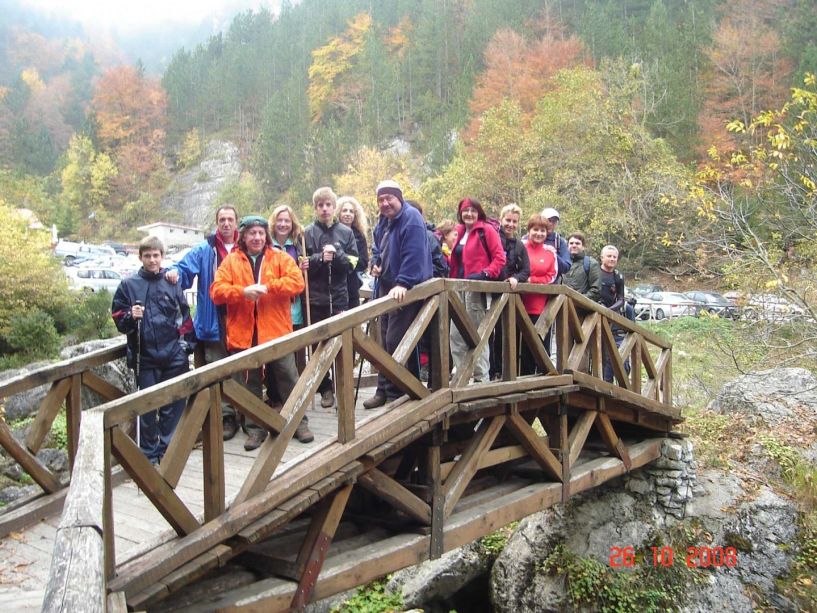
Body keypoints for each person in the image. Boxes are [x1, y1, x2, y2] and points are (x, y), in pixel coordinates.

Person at [211, 216, 307, 450]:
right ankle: (254, 429)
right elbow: (217, 291)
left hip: (276, 331)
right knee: (249, 383)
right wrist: (242, 291)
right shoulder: (232, 261)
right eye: (251, 233)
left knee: (288, 377)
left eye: (261, 233)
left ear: (267, 236)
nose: (256, 237)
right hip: (244, 334)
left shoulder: (280, 257)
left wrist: (268, 287)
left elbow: (297, 283)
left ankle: (299, 423)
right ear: (243, 236)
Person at [112, 236, 194, 464]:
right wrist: (130, 316)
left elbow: (184, 316)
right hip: (144, 356)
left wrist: (186, 347)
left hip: (174, 355)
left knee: (174, 405)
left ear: (162, 256)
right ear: (140, 257)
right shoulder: (128, 285)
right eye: (147, 256)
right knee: (147, 409)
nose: (151, 260)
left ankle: (168, 450)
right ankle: (148, 455)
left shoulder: (172, 281)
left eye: (155, 255)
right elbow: (118, 318)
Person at [165, 205, 240, 440]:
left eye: (230, 219)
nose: (226, 224)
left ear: (236, 222)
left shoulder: (244, 247)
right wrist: (173, 273)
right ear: (217, 223)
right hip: (213, 316)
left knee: (244, 367)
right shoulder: (205, 250)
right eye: (222, 220)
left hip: (241, 315)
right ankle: (226, 418)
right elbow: (183, 268)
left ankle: (247, 415)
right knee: (216, 368)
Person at [363, 180, 432, 409]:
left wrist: (404, 282)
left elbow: (414, 253)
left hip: (407, 289)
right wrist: (376, 263)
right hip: (385, 286)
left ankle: (398, 391)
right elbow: (377, 248)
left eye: (389, 198)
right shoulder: (384, 222)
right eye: (381, 200)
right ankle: (384, 389)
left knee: (397, 339)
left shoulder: (411, 219)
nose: (385, 203)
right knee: (383, 339)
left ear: (399, 198)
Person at [303, 187, 359, 408]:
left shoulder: (346, 232)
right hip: (316, 299)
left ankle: (343, 387)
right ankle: (325, 389)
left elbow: (354, 264)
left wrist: (337, 255)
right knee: (319, 348)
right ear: (315, 208)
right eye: (320, 205)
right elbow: (304, 264)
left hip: (339, 298)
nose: (325, 209)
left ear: (334, 207)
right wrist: (320, 258)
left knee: (342, 345)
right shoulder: (307, 232)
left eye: (328, 205)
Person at [263, 205, 313, 443]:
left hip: (295, 311)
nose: (283, 224)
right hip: (274, 313)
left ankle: (296, 410)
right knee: (277, 364)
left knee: (294, 361)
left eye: (287, 221)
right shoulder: (267, 247)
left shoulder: (297, 245)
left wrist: (305, 267)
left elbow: (299, 281)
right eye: (280, 220)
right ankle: (277, 402)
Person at [447, 197, 506, 384]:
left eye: (473, 210)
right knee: (455, 335)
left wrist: (485, 274)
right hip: (458, 287)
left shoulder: (486, 230)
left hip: (476, 290)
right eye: (465, 211)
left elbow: (499, 258)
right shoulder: (460, 231)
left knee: (476, 334)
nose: (469, 214)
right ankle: (462, 377)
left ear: (478, 212)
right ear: (460, 213)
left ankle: (482, 379)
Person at [489, 203, 530, 380]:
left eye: (514, 221)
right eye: (508, 220)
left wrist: (516, 278)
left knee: (506, 332)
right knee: (488, 332)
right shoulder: (492, 237)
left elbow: (526, 270)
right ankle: (490, 371)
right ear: (501, 219)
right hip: (489, 291)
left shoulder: (520, 245)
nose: (511, 224)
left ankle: (505, 371)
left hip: (509, 296)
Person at [520, 214, 558, 373]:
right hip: (518, 306)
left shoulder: (550, 251)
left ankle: (543, 379)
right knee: (520, 348)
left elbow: (552, 276)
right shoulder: (520, 246)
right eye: (535, 229)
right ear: (529, 230)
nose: (539, 233)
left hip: (541, 308)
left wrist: (532, 280)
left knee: (540, 347)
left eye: (543, 230)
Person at [598, 244, 629, 383]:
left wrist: (609, 310)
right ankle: (596, 378)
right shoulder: (595, 272)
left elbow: (621, 299)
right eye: (609, 256)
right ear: (602, 257)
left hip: (610, 315)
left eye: (614, 257)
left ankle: (608, 382)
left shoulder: (618, 276)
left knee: (609, 349)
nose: (611, 259)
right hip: (593, 311)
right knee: (596, 347)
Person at [337, 196, 370, 309]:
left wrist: (342, 260)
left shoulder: (359, 236)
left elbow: (363, 262)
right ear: (338, 213)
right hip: (334, 289)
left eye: (351, 211)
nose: (348, 214)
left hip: (352, 286)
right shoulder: (331, 233)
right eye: (344, 210)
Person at [562, 231, 602, 301]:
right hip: (560, 305)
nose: (574, 245)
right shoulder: (561, 263)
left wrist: (577, 300)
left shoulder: (591, 263)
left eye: (577, 243)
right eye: (571, 243)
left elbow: (596, 290)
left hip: (580, 308)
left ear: (583, 246)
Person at [540, 207, 570, 278]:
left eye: (554, 221)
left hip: (552, 285)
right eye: (548, 220)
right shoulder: (528, 238)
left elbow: (566, 267)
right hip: (529, 282)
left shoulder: (560, 241)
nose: (551, 224)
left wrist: (553, 255)